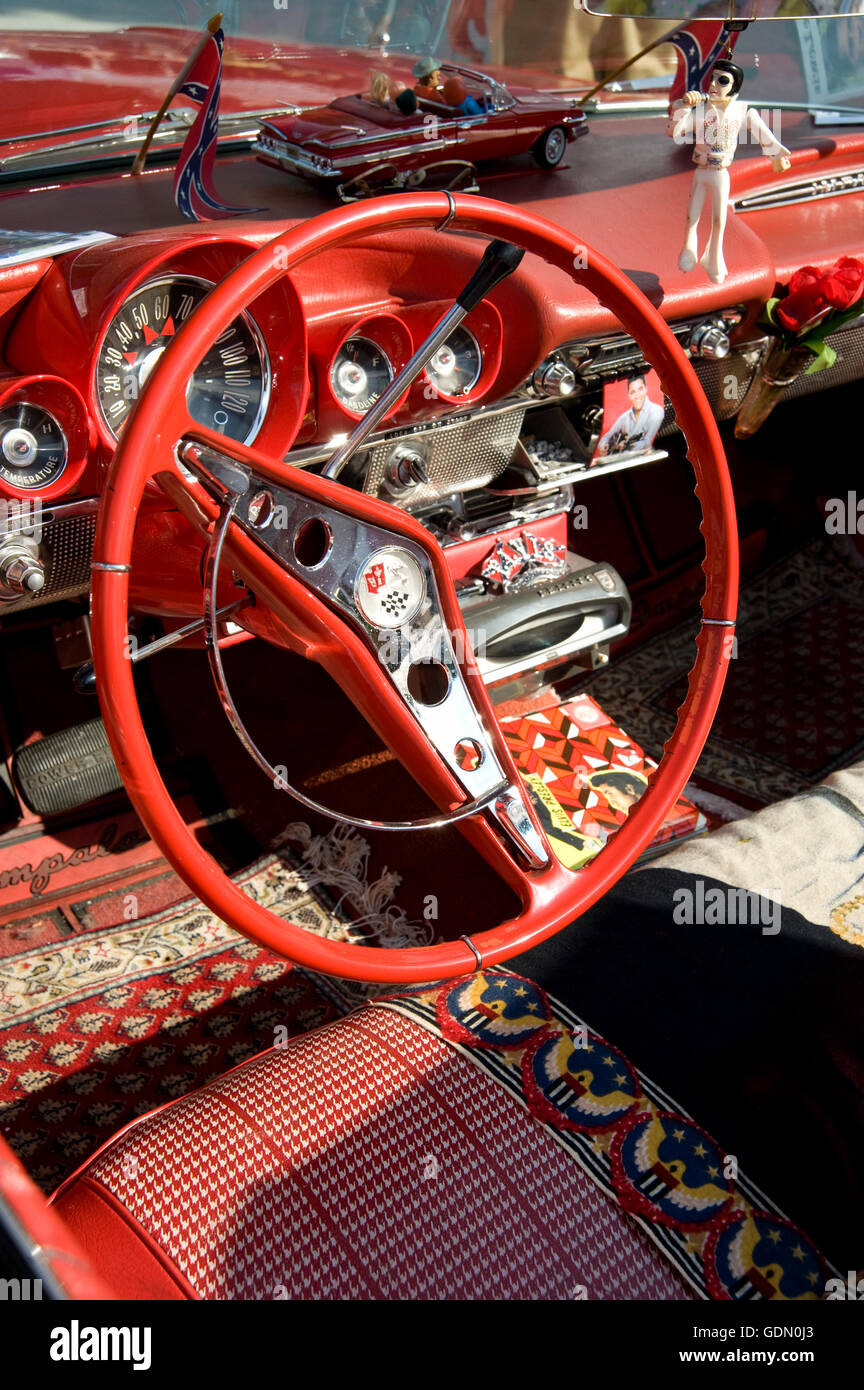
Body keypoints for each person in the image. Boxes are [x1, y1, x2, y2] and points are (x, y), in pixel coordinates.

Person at [668, 59, 791, 284]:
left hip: (721, 172)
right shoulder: (701, 111)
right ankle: (688, 248)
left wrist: (776, 156)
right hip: (701, 169)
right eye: (712, 79)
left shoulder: (743, 112)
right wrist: (683, 108)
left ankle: (714, 258)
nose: (714, 85)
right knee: (691, 215)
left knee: (719, 219)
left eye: (722, 81)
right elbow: (676, 132)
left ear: (734, 87)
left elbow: (764, 134)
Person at [596, 374, 664, 457]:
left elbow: (646, 442)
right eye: (633, 392)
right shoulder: (625, 417)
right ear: (629, 395)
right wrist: (603, 445)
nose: (637, 396)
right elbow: (607, 436)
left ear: (646, 389)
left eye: (640, 389)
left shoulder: (656, 411)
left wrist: (626, 446)